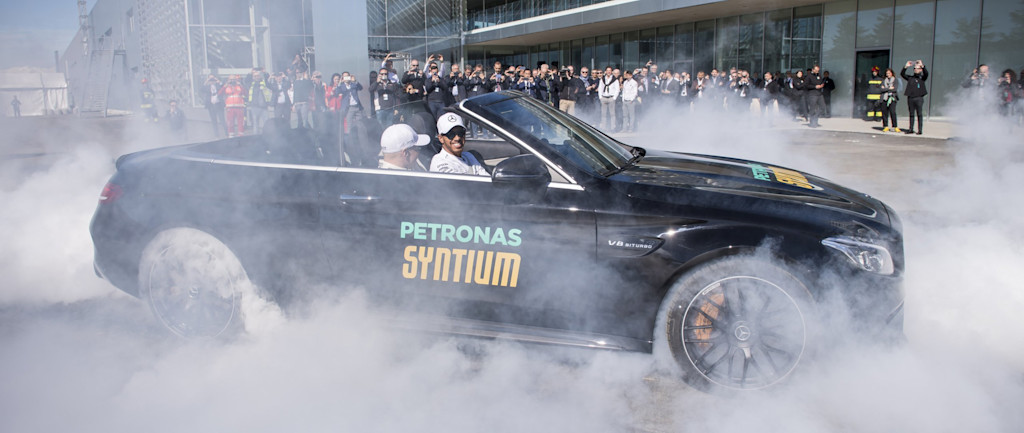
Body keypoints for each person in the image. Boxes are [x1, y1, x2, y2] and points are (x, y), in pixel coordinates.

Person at [900, 60, 928, 135]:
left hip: (919, 98)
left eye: (917, 68)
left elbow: (926, 74)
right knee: (911, 114)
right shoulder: (910, 78)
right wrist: (906, 66)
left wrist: (922, 65)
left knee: (919, 114)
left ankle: (920, 130)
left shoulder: (922, 78)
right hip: (911, 98)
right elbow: (902, 74)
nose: (915, 70)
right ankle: (911, 129)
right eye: (914, 68)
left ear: (920, 70)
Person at [247, 70, 272, 134]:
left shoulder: (264, 82)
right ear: (253, 77)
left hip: (264, 107)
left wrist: (264, 72)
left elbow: (267, 79)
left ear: (260, 76)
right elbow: (246, 81)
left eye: (258, 76)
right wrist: (250, 73)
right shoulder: (251, 84)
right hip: (254, 106)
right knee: (255, 123)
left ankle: (267, 135)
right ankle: (256, 136)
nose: (256, 77)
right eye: (255, 76)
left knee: (266, 123)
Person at [879, 68, 900, 132]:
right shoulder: (883, 80)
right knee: (884, 113)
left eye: (889, 73)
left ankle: (895, 126)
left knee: (892, 112)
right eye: (887, 73)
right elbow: (881, 89)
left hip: (892, 98)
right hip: (884, 98)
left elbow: (895, 89)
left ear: (892, 73)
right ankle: (885, 126)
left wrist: (885, 88)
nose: (888, 74)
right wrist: (889, 88)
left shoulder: (895, 80)